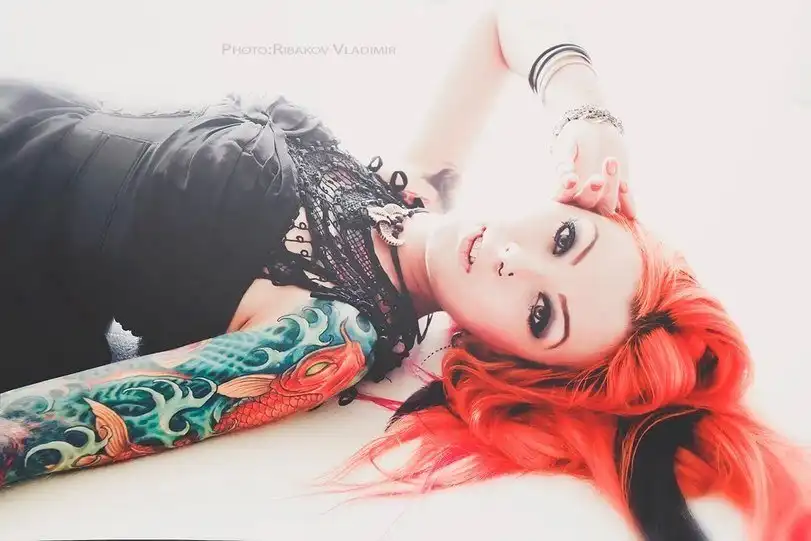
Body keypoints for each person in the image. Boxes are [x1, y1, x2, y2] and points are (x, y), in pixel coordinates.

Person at [0, 4, 808, 541]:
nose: (514, 258)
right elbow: (501, 22)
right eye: (565, 238)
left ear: (508, 358)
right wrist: (583, 108)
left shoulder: (329, 337)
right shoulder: (413, 192)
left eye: (539, 313)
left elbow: (37, 431)